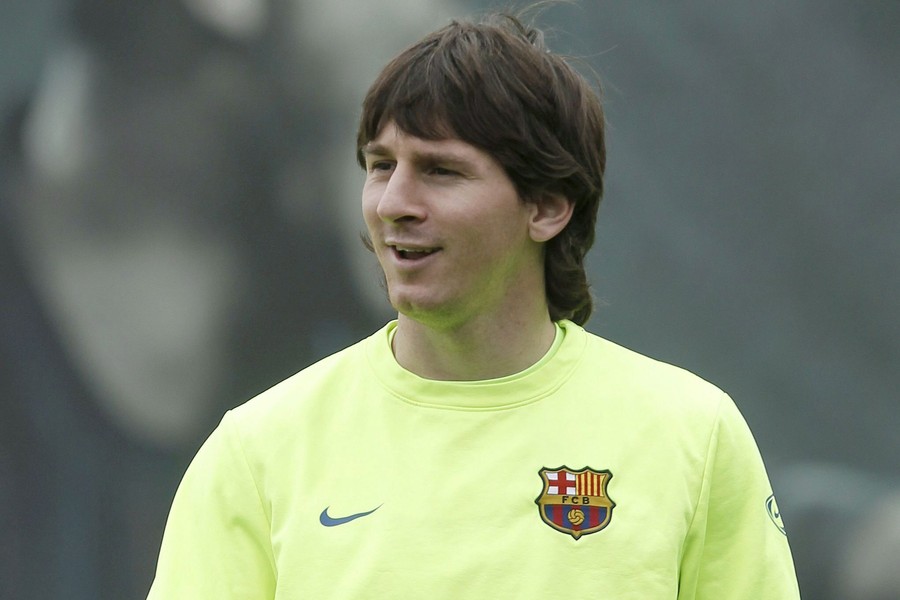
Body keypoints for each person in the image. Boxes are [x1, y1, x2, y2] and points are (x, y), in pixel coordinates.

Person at [147, 9, 800, 599]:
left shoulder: (693, 435)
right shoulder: (257, 449)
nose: (393, 204)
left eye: (440, 170)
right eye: (380, 166)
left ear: (546, 206)